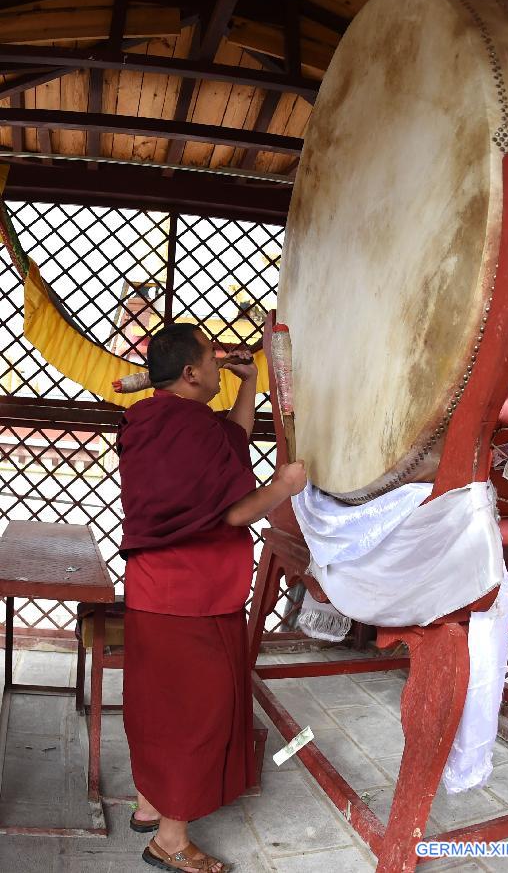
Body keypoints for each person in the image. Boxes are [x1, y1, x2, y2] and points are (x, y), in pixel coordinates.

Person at [117, 322, 306, 873]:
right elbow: (232, 511)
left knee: (156, 705)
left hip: (153, 592)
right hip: (194, 598)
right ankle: (171, 842)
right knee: (195, 715)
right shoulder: (192, 430)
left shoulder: (151, 418)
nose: (219, 363)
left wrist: (250, 384)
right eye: (212, 356)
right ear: (193, 372)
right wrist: (285, 488)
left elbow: (231, 440)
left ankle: (151, 805)